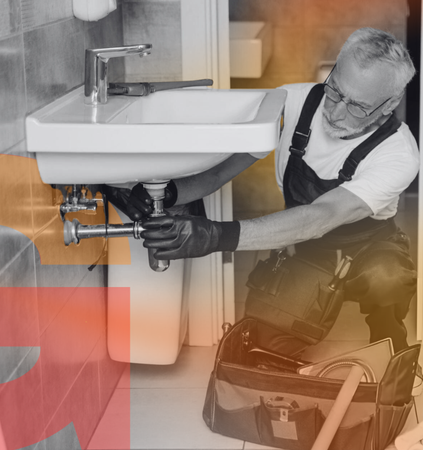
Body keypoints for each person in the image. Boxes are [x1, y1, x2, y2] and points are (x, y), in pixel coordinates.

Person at [106, 28, 419, 353]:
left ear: (389, 105)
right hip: (305, 246)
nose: (336, 112)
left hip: (369, 245)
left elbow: (322, 215)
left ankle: (391, 341)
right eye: (336, 91)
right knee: (266, 346)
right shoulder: (290, 103)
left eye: (357, 107)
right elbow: (220, 171)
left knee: (388, 278)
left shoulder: (399, 154)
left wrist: (215, 236)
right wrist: (167, 193)